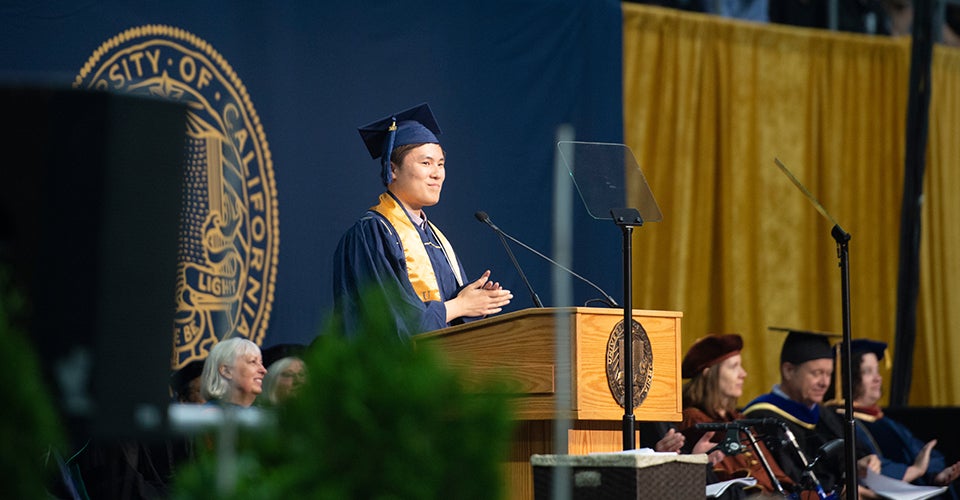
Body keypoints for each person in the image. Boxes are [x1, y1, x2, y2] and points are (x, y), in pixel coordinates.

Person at [333, 103, 513, 338]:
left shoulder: (435, 238)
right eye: (426, 163)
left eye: (441, 164)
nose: (437, 173)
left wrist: (476, 303)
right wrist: (459, 306)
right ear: (392, 169)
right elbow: (388, 321)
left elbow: (448, 312)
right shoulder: (372, 234)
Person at [742, 328, 880, 497]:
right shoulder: (763, 419)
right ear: (789, 371)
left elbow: (850, 455)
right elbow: (790, 479)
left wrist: (861, 463)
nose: (824, 383)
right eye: (817, 373)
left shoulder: (825, 414)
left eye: (829, 374)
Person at [826, 339, 960, 499]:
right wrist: (914, 471)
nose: (878, 378)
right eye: (868, 371)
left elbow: (920, 451)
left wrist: (936, 475)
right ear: (847, 377)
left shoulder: (884, 421)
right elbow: (870, 470)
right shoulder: (839, 421)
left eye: (877, 371)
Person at [677, 333, 798, 497]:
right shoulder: (694, 420)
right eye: (733, 367)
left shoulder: (737, 418)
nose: (743, 374)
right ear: (708, 374)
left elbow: (773, 473)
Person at [200, 337, 266, 407]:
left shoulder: (261, 415)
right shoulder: (210, 415)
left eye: (261, 363)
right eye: (253, 362)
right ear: (226, 371)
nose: (264, 370)